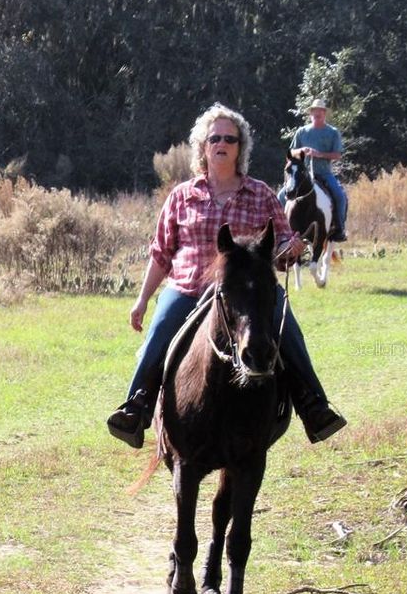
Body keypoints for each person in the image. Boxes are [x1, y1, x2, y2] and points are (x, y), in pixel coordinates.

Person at [106, 103, 346, 449]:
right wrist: (142, 300)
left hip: (247, 293)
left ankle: (313, 403)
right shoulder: (181, 196)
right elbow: (161, 253)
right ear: (203, 146)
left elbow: (279, 242)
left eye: (229, 139)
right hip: (188, 287)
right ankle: (136, 405)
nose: (221, 143)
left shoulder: (262, 193)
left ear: (240, 147)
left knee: (286, 326)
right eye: (214, 137)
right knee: (159, 333)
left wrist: (291, 247)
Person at [278, 98, 348, 241]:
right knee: (280, 196)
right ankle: (280, 230)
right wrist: (301, 150)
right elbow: (290, 154)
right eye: (314, 113)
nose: (316, 115)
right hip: (302, 175)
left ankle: (339, 229)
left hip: (323, 173)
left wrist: (319, 154)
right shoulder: (301, 132)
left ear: (324, 113)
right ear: (310, 114)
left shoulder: (333, 132)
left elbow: (337, 155)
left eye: (319, 113)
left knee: (340, 196)